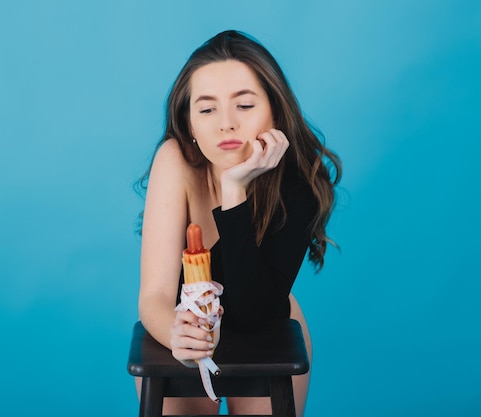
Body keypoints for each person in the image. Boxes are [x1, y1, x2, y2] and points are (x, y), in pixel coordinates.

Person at [136, 30, 341, 416]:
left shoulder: (301, 182)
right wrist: (176, 335)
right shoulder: (175, 160)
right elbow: (155, 295)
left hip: (268, 326)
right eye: (207, 109)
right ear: (190, 123)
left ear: (275, 112)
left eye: (244, 105)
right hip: (184, 325)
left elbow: (251, 316)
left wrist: (234, 191)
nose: (225, 124)